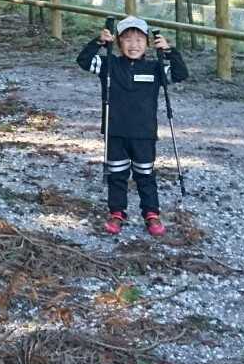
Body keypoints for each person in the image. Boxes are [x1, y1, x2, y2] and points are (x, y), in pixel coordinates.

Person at [76, 14, 188, 238]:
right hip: (115, 132)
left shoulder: (155, 68)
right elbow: (84, 61)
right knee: (117, 175)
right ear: (118, 42)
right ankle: (116, 213)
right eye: (127, 39)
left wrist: (169, 52)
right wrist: (99, 42)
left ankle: (151, 214)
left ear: (147, 43)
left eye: (139, 40)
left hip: (144, 134)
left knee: (145, 175)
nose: (133, 45)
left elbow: (180, 74)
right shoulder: (109, 64)